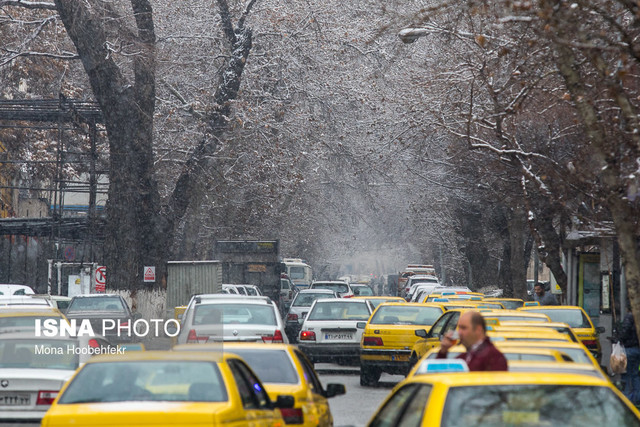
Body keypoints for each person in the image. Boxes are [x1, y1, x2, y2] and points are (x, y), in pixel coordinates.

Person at [438, 311, 508, 371]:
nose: (459, 332)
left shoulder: (493, 358)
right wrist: (443, 352)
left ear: (478, 329)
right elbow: (441, 375)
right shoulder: (465, 357)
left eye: (463, 328)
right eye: (459, 328)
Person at [621, 307, 640, 405]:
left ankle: (627, 399)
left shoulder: (629, 317)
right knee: (635, 374)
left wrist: (620, 339)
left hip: (629, 348)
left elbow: (625, 332)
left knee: (626, 374)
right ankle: (637, 398)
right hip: (637, 348)